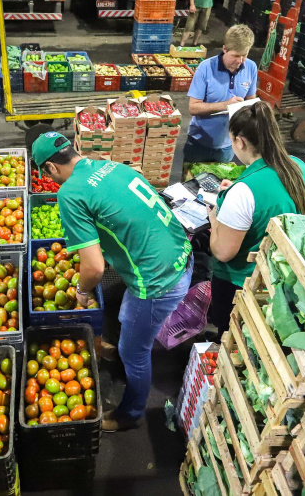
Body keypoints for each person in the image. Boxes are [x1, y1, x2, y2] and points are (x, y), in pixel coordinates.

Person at [31, 132, 193, 433]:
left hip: (157, 280)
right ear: (74, 150)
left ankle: (130, 415)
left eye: (47, 174)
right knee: (125, 318)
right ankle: (118, 348)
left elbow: (93, 267)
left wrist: (81, 290)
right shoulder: (113, 166)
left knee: (135, 352)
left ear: (51, 169)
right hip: (181, 251)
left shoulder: (70, 193)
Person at [207, 103, 305, 336]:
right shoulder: (298, 167)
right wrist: (238, 191)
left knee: (232, 336)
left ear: (240, 142)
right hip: (279, 276)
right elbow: (274, 196)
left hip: (240, 284)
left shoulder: (244, 192)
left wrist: (214, 219)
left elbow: (223, 252)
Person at [184, 25, 259, 164]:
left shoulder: (251, 67)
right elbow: (193, 108)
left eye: (244, 55)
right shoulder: (205, 68)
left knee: (221, 184)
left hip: (228, 145)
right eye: (236, 55)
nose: (240, 61)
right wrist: (225, 105)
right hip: (199, 142)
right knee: (192, 183)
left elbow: (251, 101)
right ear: (224, 49)